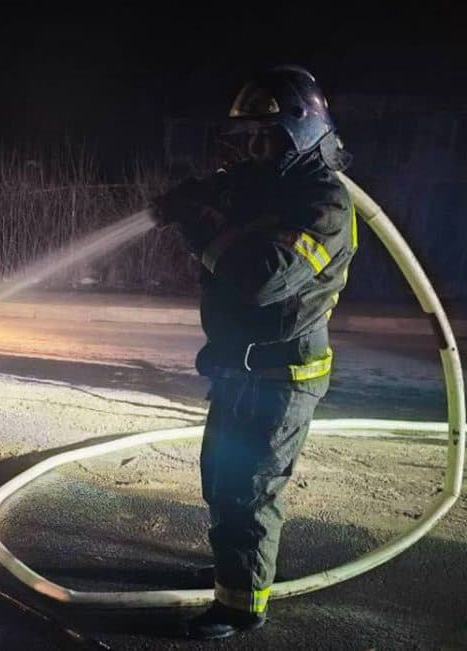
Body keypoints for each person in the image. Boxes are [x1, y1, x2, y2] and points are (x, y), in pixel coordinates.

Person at [151, 65, 357, 639]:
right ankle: (235, 568)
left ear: (301, 131)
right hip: (239, 369)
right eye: (251, 137)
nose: (256, 148)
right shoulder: (266, 187)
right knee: (221, 479)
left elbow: (261, 279)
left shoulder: (326, 205)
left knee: (249, 490)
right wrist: (194, 198)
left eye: (269, 137)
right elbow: (230, 198)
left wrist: (200, 230)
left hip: (283, 376)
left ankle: (242, 606)